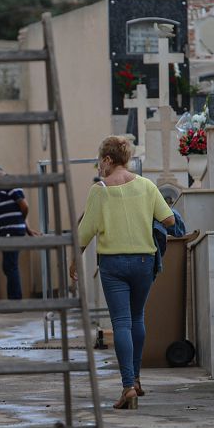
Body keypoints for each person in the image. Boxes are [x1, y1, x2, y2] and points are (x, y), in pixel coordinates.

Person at [70, 136, 175, 410]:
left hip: (113, 265)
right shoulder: (146, 186)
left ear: (107, 160)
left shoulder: (100, 191)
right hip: (144, 261)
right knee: (137, 318)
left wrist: (73, 261)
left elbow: (84, 233)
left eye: (99, 161)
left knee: (121, 323)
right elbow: (169, 220)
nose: (98, 167)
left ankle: (127, 385)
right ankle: (137, 379)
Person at [0, 161, 37, 300]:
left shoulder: (10, 183)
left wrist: (19, 223)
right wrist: (27, 228)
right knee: (8, 266)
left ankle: (15, 300)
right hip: (8, 231)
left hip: (11, 232)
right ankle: (14, 299)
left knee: (10, 265)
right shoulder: (2, 188)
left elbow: (24, 206)